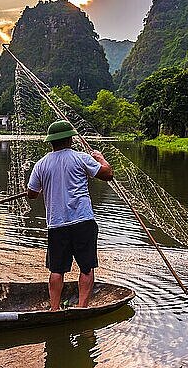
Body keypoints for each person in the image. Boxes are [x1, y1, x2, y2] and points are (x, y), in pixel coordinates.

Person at [27, 120, 113, 311]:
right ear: (70, 139)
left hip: (57, 225)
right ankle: (82, 307)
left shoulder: (41, 165)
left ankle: (54, 309)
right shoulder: (81, 158)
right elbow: (107, 174)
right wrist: (100, 158)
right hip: (83, 221)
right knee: (86, 266)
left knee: (56, 269)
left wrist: (42, 188)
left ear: (51, 142)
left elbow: (31, 194)